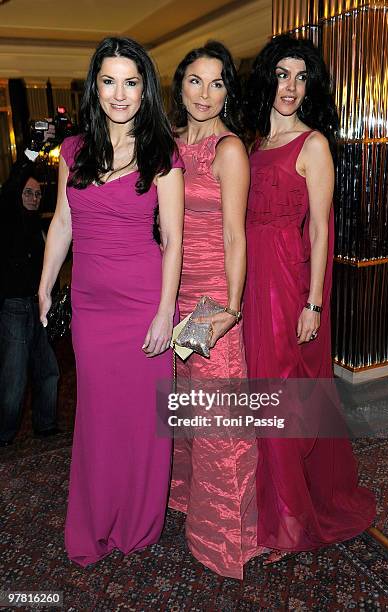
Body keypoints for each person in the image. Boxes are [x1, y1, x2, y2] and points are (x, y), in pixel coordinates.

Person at [38, 37, 184, 566]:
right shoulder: (73, 150)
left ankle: (140, 523)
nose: (119, 93)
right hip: (93, 308)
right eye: (108, 81)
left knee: (144, 419)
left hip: (144, 300)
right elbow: (62, 223)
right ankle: (97, 519)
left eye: (131, 82)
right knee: (98, 417)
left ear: (145, 88)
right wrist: (46, 283)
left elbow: (173, 240)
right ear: (94, 85)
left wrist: (166, 311)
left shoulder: (161, 153)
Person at [243, 35, 376, 556]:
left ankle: (292, 523)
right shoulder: (253, 144)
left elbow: (321, 229)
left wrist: (314, 303)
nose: (291, 87)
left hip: (287, 285)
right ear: (267, 78)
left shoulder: (313, 143)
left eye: (301, 77)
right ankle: (274, 506)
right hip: (251, 282)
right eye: (282, 74)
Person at [168, 41, 265, 579]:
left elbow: (235, 234)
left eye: (217, 83)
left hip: (213, 302)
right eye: (195, 81)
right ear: (179, 85)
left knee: (220, 423)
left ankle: (229, 535)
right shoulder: (169, 145)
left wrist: (230, 307)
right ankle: (186, 502)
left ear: (228, 89)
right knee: (185, 416)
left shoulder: (229, 150)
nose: (205, 95)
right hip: (172, 297)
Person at [0, 163, 59, 447]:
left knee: (48, 369)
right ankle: (4, 434)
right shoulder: (9, 220)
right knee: (14, 376)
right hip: (15, 307)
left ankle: (45, 425)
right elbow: (11, 185)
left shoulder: (40, 226)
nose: (34, 198)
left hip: (39, 307)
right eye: (28, 193)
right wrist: (31, 152)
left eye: (37, 194)